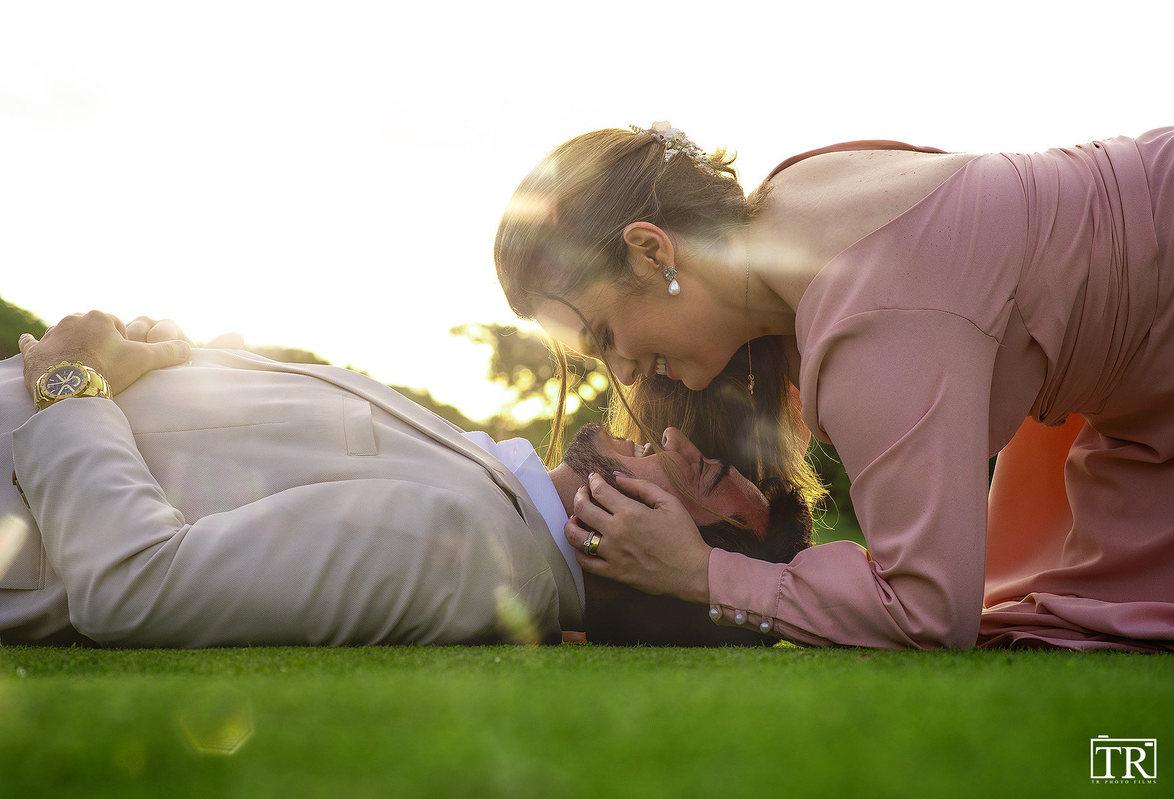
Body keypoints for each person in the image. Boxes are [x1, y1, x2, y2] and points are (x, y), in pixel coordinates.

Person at [495, 122, 1174, 652]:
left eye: (606, 336)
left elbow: (929, 612)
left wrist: (700, 573)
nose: (624, 372)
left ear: (652, 251)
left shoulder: (870, 313)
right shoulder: (790, 208)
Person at [0, 311, 808, 648]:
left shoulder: (468, 553)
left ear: (654, 545)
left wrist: (71, 384)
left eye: (699, 473)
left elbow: (136, 585)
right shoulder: (490, 497)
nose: (671, 438)